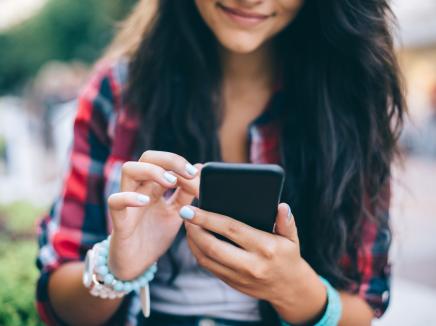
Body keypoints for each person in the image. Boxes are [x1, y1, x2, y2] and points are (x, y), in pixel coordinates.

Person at [35, 0, 405, 325]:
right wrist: (117, 267)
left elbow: (362, 306)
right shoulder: (117, 93)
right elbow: (57, 298)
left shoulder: (352, 99)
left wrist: (295, 289)